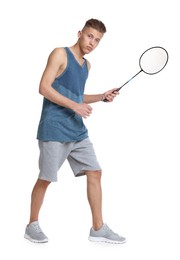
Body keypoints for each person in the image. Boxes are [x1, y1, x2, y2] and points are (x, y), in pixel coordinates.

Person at [24, 18, 126, 244]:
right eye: (90, 36)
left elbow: (77, 96)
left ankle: (98, 228)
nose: (92, 43)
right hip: (54, 128)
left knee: (95, 171)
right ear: (80, 33)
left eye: (97, 40)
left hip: (77, 130)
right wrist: (75, 106)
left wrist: (101, 96)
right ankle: (32, 224)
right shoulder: (60, 54)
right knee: (46, 178)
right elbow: (44, 87)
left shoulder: (87, 66)